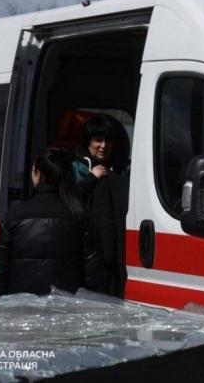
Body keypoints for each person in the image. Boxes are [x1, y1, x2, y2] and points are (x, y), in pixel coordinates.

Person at [0, 147, 107, 300]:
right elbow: (94, 275)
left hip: (20, 308)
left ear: (38, 175)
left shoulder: (13, 216)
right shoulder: (81, 216)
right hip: (66, 308)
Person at [73, 114, 129, 298]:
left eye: (108, 141)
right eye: (98, 140)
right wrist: (91, 179)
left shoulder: (120, 171)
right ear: (88, 142)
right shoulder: (76, 169)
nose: (104, 146)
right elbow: (69, 201)